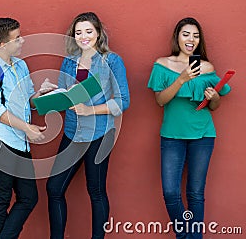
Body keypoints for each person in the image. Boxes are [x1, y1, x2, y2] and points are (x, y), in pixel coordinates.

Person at [46, 12, 130, 239]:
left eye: (88, 31)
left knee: (96, 191)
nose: (83, 37)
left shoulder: (112, 61)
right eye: (78, 32)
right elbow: (66, 96)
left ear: (98, 33)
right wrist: (49, 92)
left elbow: (123, 101)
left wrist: (90, 110)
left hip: (99, 133)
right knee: (54, 189)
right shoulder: (69, 61)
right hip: (73, 132)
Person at [147, 17, 231, 239]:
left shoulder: (207, 67)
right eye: (186, 34)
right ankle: (187, 235)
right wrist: (182, 79)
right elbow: (160, 101)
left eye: (195, 35)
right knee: (171, 193)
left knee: (195, 193)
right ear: (177, 37)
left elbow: (214, 105)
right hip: (172, 136)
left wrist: (213, 98)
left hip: (203, 134)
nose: (191, 39)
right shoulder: (163, 64)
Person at [0, 17, 55, 239]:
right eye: (17, 38)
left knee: (29, 198)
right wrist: (27, 128)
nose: (22, 41)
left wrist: (41, 94)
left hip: (20, 139)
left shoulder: (21, 65)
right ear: (3, 44)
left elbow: (28, 99)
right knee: (1, 196)